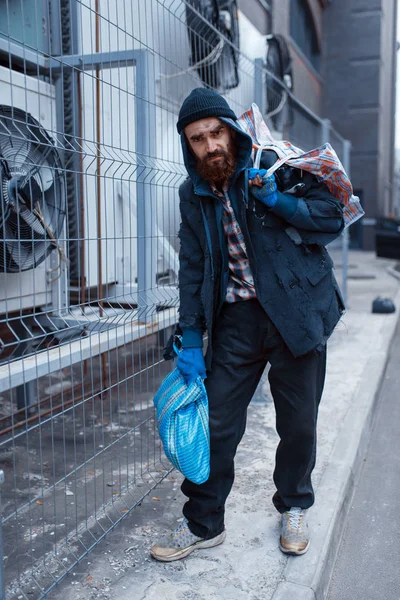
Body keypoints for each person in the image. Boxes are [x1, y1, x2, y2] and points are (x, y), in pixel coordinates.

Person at [151, 88, 345, 563]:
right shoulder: (191, 194)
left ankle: (295, 505)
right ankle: (203, 523)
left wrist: (279, 200)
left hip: (296, 314)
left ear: (231, 130)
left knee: (298, 423)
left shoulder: (274, 162)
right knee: (216, 423)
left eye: (216, 132)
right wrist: (190, 336)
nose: (211, 145)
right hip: (237, 319)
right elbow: (193, 266)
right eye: (198, 139)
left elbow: (332, 218)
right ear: (188, 146)